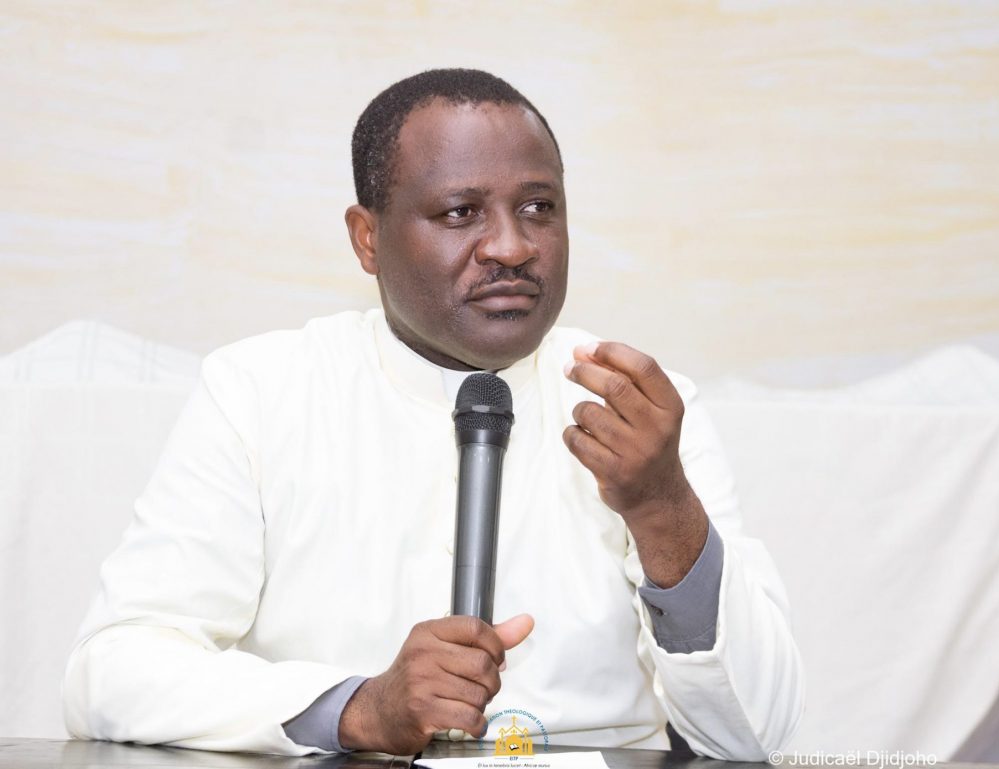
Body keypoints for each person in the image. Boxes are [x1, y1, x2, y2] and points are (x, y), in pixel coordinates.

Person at [63, 69, 803, 760]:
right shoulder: (261, 391)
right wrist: (359, 708)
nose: (512, 246)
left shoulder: (636, 408)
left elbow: (755, 733)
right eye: (459, 212)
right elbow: (113, 671)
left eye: (538, 208)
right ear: (367, 238)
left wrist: (663, 507)